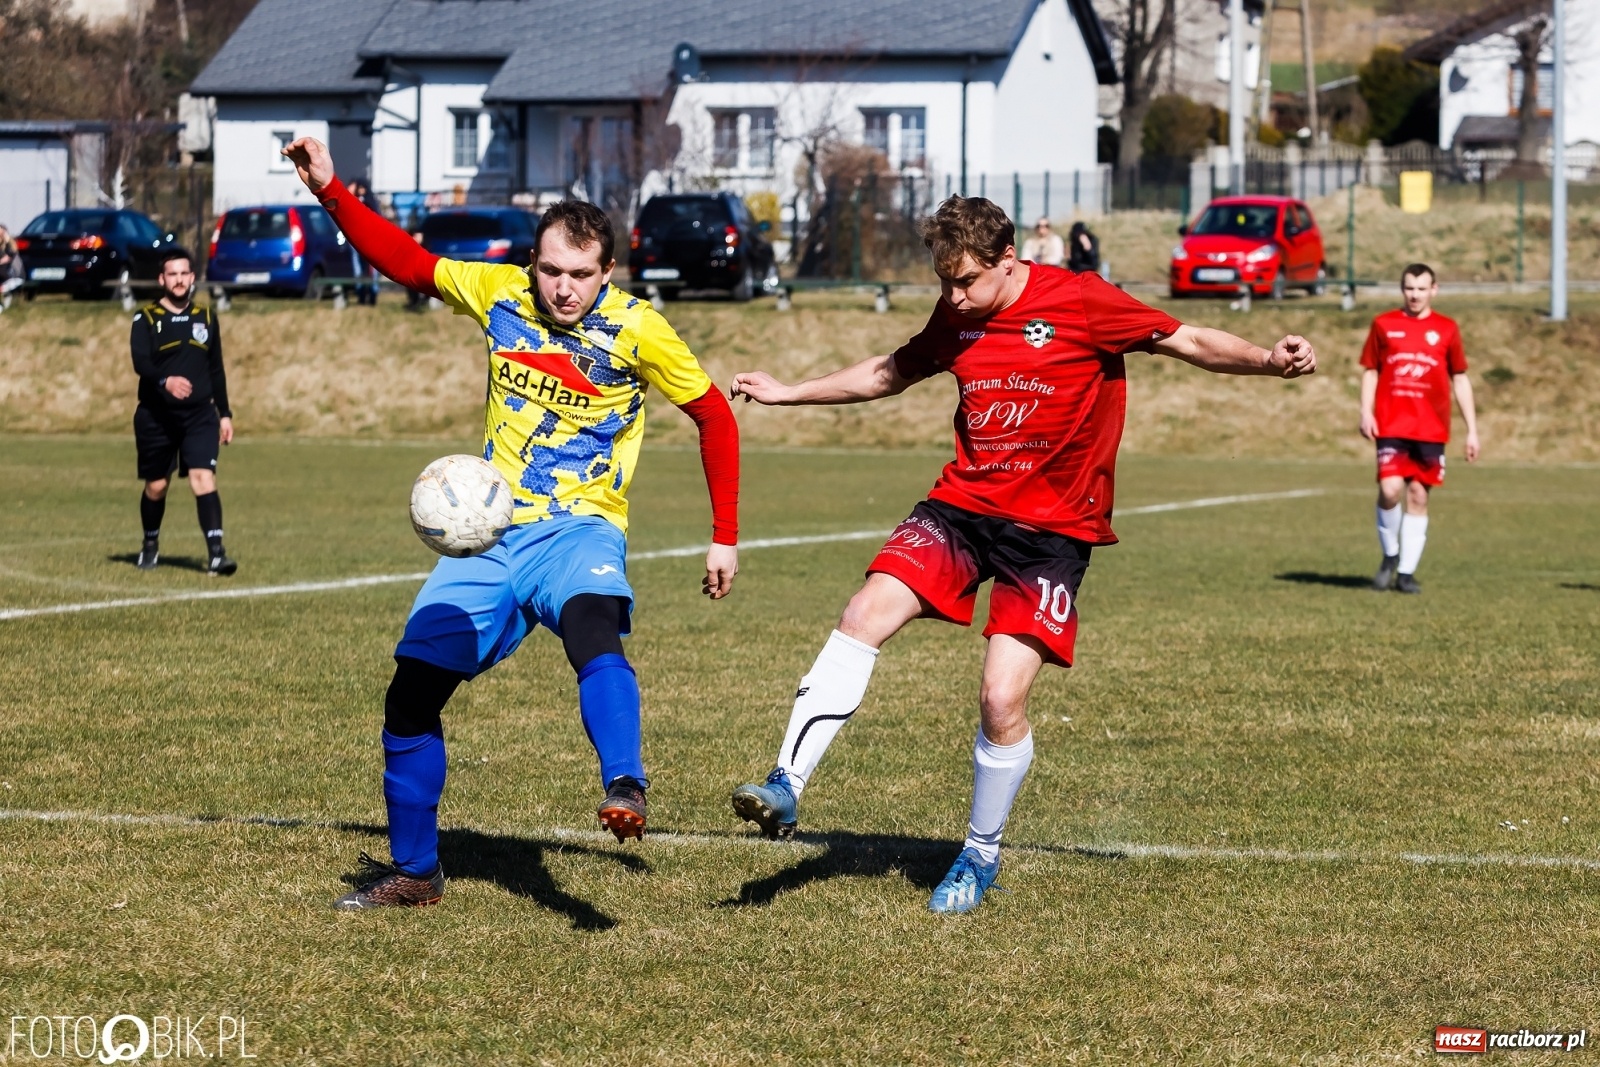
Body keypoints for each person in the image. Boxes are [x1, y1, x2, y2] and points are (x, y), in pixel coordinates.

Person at [727, 196, 1315, 914]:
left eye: (968, 281)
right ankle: (786, 783)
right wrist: (789, 394)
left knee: (1001, 696)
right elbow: (890, 371)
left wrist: (1266, 359)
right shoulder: (958, 315)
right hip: (963, 509)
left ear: (1010, 261)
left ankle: (979, 853)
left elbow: (1186, 340)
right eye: (944, 283)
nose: (954, 297)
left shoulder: (1083, 300)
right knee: (864, 610)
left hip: (1052, 532)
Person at [280, 136, 742, 910]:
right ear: (533, 263)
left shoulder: (639, 329)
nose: (563, 290)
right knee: (411, 693)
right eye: (551, 271)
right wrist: (332, 188)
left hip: (580, 529)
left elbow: (714, 415)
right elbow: (405, 260)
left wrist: (724, 531)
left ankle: (625, 779)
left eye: (581, 276)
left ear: (608, 273)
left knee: (595, 628)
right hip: (489, 535)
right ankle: (416, 873)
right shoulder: (498, 293)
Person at [1359, 263, 1479, 594]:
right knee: (1390, 490)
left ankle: (1406, 574)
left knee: (1417, 496)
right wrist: (1365, 411)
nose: (1415, 294)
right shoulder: (1384, 324)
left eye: (1422, 288)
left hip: (1430, 428)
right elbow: (1370, 370)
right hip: (1391, 423)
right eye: (1409, 288)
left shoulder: (1447, 329)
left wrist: (1472, 429)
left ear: (1434, 290)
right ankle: (1390, 555)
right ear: (1402, 289)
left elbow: (1460, 377)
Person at [129, 247, 237, 576]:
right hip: (156, 416)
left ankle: (217, 555)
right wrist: (166, 381)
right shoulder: (145, 318)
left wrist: (225, 413)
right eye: (172, 274)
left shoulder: (206, 317)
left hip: (199, 417)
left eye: (184, 274)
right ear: (162, 279)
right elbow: (141, 362)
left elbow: (216, 369)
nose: (179, 280)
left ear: (192, 277)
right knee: (157, 486)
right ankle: (150, 544)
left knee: (203, 478)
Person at [346, 178, 381, 305]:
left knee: (372, 270)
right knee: (358, 269)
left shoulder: (371, 203)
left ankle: (373, 293)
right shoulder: (354, 201)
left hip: (370, 240)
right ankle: (361, 293)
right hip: (356, 239)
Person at [0, 225, 23, 309]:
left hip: (13, 277)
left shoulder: (10, 248)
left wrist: (7, 239)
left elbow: (9, 256)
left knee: (2, 289)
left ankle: (3, 307)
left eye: (2, 233)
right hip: (4, 278)